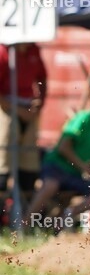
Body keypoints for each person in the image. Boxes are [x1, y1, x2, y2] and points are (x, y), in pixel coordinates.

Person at [26, 93, 90, 224]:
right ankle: (23, 225)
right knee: (51, 185)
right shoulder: (84, 117)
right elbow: (63, 147)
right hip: (55, 166)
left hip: (74, 174)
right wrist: (89, 171)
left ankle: (65, 217)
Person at [0, 42, 47, 197]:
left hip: (28, 107)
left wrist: (39, 105)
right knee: (4, 160)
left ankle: (25, 212)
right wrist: (18, 110)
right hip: (6, 109)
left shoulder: (33, 49)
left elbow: (42, 77)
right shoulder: (3, 52)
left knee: (29, 163)